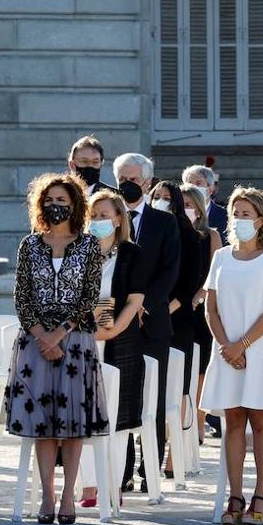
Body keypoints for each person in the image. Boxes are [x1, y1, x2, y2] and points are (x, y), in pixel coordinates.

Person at [3, 174, 110, 524]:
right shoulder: (29, 245)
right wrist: (41, 337)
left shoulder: (89, 245)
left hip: (75, 341)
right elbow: (22, 298)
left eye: (62, 200)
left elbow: (89, 299)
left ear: (75, 204)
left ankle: (69, 497)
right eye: (50, 200)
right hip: (35, 344)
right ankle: (47, 496)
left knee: (73, 424)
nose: (56, 206)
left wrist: (59, 335)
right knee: (43, 425)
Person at [201, 187, 263, 525]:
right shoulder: (221, 257)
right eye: (235, 214)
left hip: (260, 349)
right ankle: (234, 495)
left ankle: (261, 495)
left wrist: (244, 344)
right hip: (225, 351)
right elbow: (211, 307)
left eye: (246, 214)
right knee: (233, 421)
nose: (239, 220)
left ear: (262, 219)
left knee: (260, 420)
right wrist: (227, 345)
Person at [113, 153, 180, 492]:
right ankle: (121, 470)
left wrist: (144, 305)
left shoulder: (164, 222)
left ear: (148, 182)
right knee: (121, 397)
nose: (128, 184)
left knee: (152, 398)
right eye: (122, 177)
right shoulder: (106, 219)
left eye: (134, 179)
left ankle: (148, 470)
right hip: (115, 324)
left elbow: (170, 270)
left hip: (152, 322)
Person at [77, 190, 146, 507]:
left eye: (105, 215)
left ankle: (114, 483)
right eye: (94, 215)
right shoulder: (79, 251)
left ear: (119, 219)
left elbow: (134, 300)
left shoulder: (132, 253)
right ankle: (89, 486)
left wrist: (111, 330)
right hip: (82, 339)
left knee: (117, 419)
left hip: (121, 340)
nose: (99, 221)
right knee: (83, 414)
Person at [149, 180, 205, 480]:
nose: (160, 201)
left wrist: (160, 312)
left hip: (178, 321)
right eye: (155, 196)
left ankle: (175, 454)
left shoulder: (190, 236)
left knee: (178, 390)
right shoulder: (145, 231)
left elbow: (188, 286)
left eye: (166, 198)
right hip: (147, 320)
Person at [181, 184, 222, 444]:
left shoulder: (210, 235)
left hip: (199, 310)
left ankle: (198, 421)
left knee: (200, 372)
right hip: (176, 310)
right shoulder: (171, 232)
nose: (184, 210)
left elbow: (215, 273)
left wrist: (199, 295)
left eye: (189, 204)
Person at [181, 164, 228, 241]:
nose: (193, 187)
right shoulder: (179, 213)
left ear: (210, 188)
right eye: (189, 183)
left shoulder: (225, 216)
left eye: (198, 183)